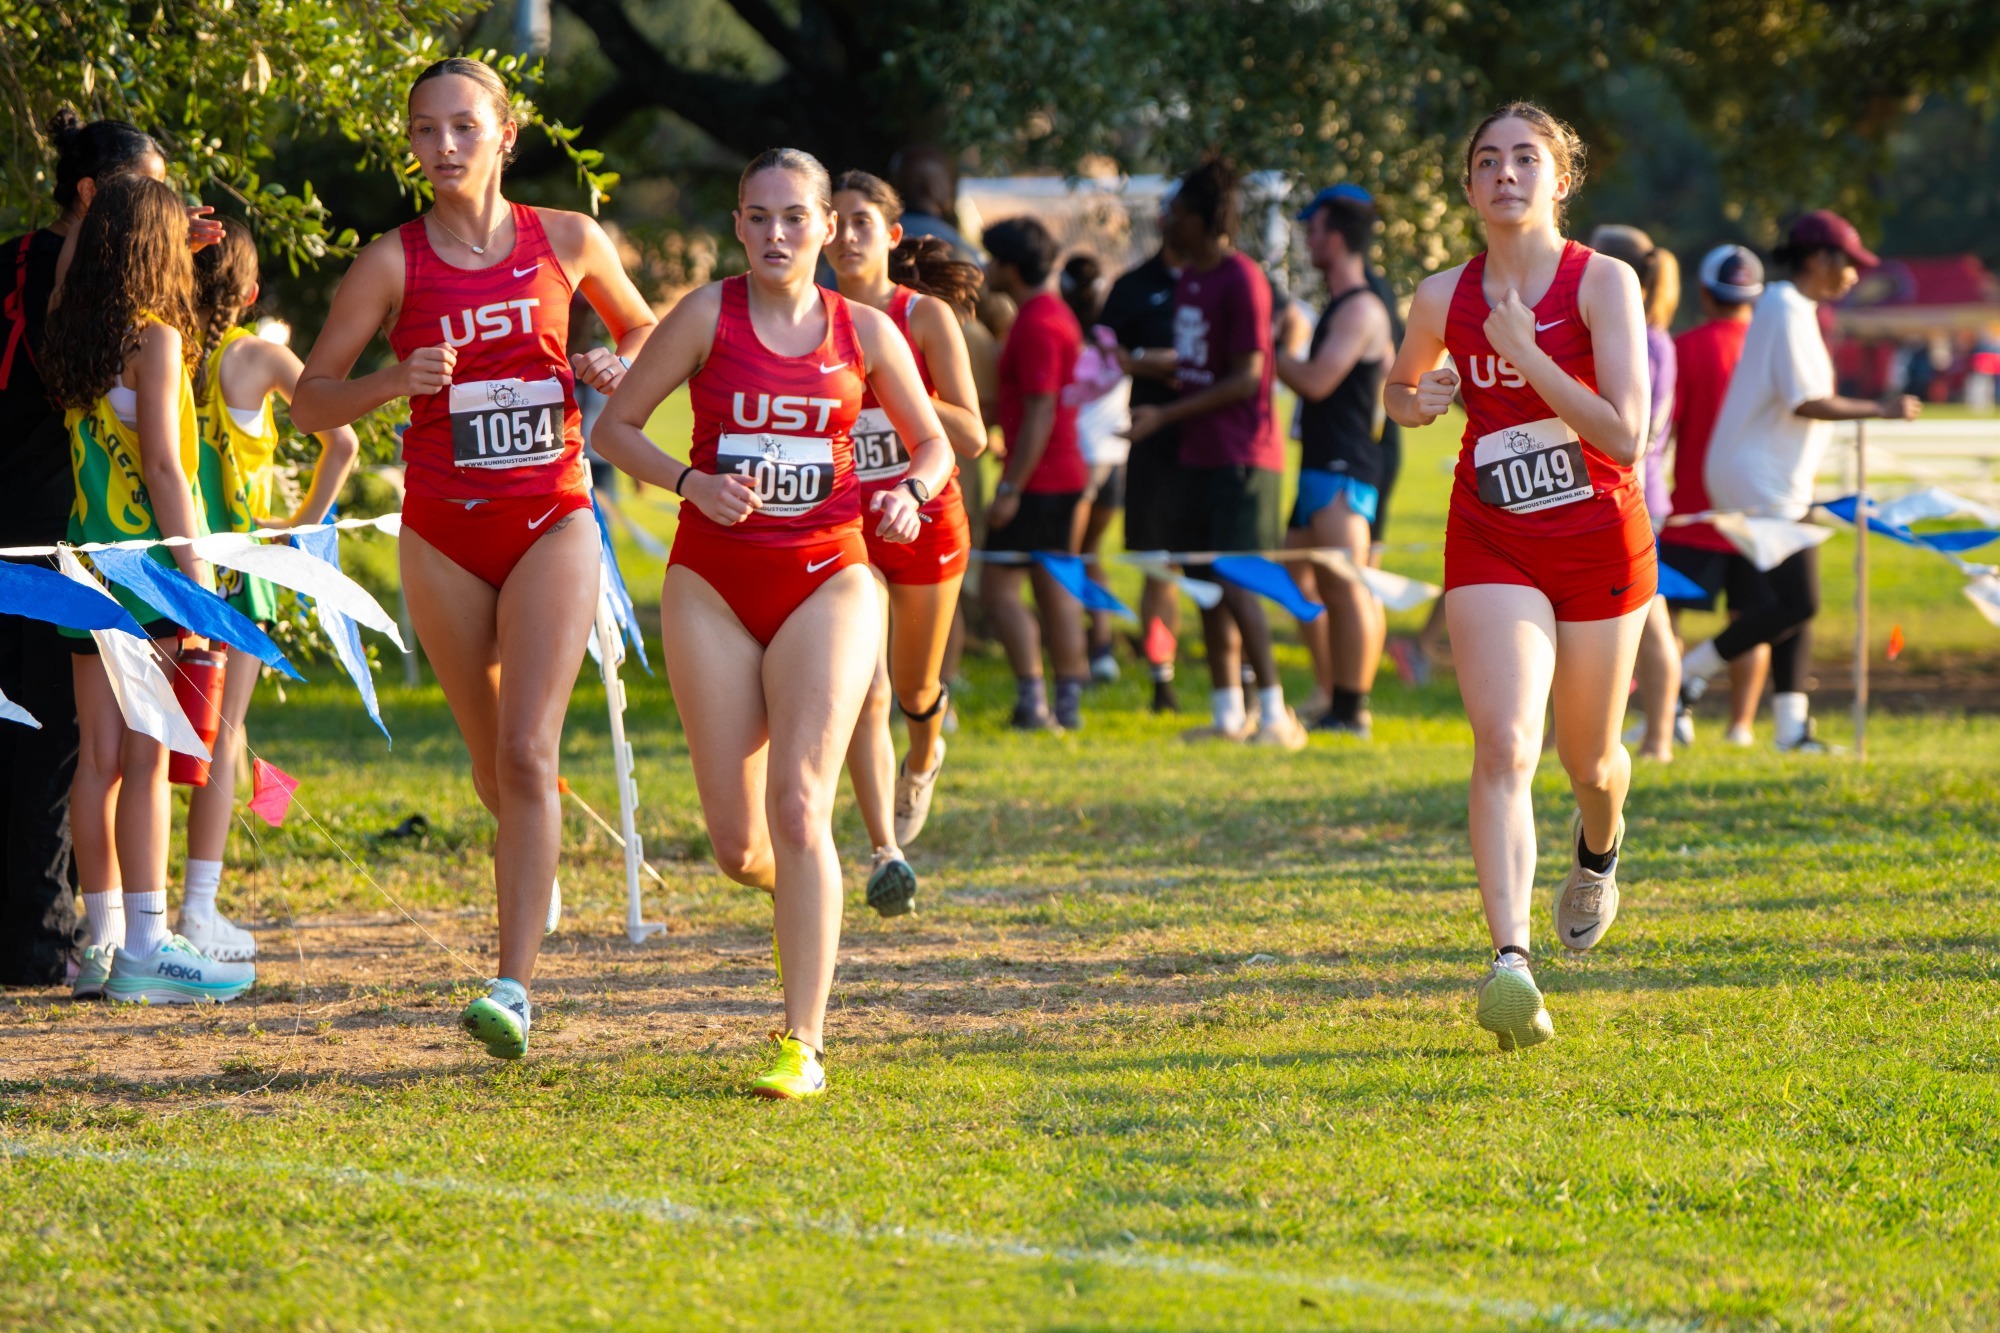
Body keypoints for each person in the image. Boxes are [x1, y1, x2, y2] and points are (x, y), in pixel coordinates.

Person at [291, 57, 657, 1058]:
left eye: (462, 127)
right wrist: (393, 378)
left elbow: (648, 334)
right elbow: (310, 399)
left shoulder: (569, 239)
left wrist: (616, 363)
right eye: (423, 131)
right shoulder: (391, 263)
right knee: (496, 762)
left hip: (552, 514)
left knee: (529, 753)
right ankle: (531, 864)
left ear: (506, 133)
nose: (442, 147)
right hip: (443, 534)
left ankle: (512, 988)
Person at [592, 148, 950, 1099]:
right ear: (739, 223)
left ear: (829, 227)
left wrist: (913, 491)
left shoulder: (866, 331)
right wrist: (691, 482)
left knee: (799, 804)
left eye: (796, 217)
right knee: (738, 844)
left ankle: (803, 1041)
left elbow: (936, 442)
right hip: (711, 584)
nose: (777, 235)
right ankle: (807, 886)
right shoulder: (708, 313)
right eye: (759, 217)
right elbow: (612, 429)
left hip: (830, 575)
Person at [1385, 102, 1655, 1051]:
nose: (1506, 173)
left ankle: (1599, 848)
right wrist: (1421, 401)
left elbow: (1626, 433)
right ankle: (1510, 963)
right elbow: (1400, 388)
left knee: (1591, 761)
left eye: (1526, 158)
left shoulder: (1603, 284)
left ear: (1559, 179)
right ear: (1467, 186)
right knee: (1504, 743)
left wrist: (1525, 352)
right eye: (1487, 161)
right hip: (1493, 537)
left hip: (1598, 543)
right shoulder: (1436, 296)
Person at [40, 175, 254, 1004]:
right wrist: (198, 587)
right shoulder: (158, 338)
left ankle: (102, 944)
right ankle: (151, 945)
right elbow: (168, 467)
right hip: (149, 576)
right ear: (157, 251)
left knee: (96, 762)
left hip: (82, 572)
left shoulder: (70, 327)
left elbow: (71, 271)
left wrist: (127, 230)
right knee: (149, 756)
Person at [0, 113, 175, 988]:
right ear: (94, 198)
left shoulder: (63, 305)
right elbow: (165, 464)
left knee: (73, 750)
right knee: (97, 750)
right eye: (158, 196)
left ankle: (87, 936)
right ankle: (100, 940)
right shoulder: (139, 330)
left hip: (63, 555)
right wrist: (194, 571)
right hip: (103, 555)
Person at [179, 220, 360, 962]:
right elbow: (341, 438)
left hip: (162, 559)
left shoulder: (162, 349)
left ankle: (140, 908)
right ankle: (198, 905)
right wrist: (300, 526)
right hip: (240, 569)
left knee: (158, 737)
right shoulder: (259, 356)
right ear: (251, 293)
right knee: (219, 740)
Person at [1684, 210, 1921, 751]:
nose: (1855, 276)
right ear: (1819, 259)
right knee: (1799, 603)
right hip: (1760, 479)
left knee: (1789, 602)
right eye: (1850, 264)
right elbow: (1806, 400)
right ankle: (1688, 673)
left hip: (1770, 475)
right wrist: (1880, 410)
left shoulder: (1789, 307)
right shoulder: (1787, 307)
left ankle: (1791, 725)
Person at [826, 169, 987, 917]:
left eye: (863, 222)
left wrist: (899, 389)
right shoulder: (808, 317)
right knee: (867, 688)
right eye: (837, 221)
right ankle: (884, 849)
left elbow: (974, 436)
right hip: (844, 521)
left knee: (915, 687)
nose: (847, 235)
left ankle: (924, 755)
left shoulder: (923, 318)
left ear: (891, 237)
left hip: (924, 515)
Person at [1127, 160, 1306, 750]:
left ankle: (1275, 714)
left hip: (1241, 455)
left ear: (1201, 220)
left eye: (1175, 213)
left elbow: (1248, 375)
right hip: (1195, 454)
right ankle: (1228, 712)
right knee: (1203, 582)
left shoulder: (1241, 278)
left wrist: (1164, 415)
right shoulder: (1191, 281)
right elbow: (1198, 364)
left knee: (1237, 581)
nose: (1165, 222)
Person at [1277, 185, 1395, 738]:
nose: (1306, 238)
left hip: (1344, 467)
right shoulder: (1344, 304)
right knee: (1297, 576)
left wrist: (1279, 350)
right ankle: (1333, 691)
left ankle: (1352, 710)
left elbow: (1318, 381)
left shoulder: (1362, 307)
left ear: (1338, 236)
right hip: (1322, 464)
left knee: (1347, 585)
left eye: (1313, 229)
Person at [980, 216, 1091, 732]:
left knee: (1001, 589)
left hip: (1040, 480)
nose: (985, 269)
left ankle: (1034, 702)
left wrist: (1010, 488)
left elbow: (1041, 411)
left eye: (991, 259)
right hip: (1061, 473)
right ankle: (1066, 704)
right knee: (1054, 586)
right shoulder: (1051, 314)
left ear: (1010, 266)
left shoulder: (1038, 323)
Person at [1658, 245, 1770, 745]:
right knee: (1751, 621)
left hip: (1694, 512)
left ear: (1705, 292)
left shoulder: (1686, 348)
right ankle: (1740, 725)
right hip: (1759, 512)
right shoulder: (1772, 353)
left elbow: (1667, 428)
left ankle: (1672, 715)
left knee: (1669, 614)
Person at [1588, 224, 1682, 762]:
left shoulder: (1643, 341)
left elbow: (1624, 426)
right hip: (1625, 492)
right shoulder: (1646, 337)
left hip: (1630, 496)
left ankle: (1659, 739)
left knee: (1650, 620)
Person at [1099, 228, 1187, 712]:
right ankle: (1162, 681)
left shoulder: (1227, 276)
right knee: (1159, 568)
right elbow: (1105, 350)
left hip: (1214, 443)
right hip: (1153, 441)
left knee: (1222, 566)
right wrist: (1143, 362)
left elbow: (1279, 329)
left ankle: (1238, 681)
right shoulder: (1134, 285)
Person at [1058, 252, 1132, 682]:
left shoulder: (1068, 339)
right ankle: (1101, 648)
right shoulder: (1112, 340)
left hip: (1080, 461)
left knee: (1068, 559)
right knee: (1090, 555)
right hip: (1115, 462)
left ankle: (1078, 663)